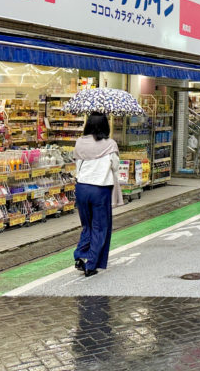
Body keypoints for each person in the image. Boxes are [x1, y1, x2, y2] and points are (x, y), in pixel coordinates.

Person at [73, 112, 122, 277]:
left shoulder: (79, 143)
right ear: (105, 126)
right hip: (100, 190)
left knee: (87, 225)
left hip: (81, 188)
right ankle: (91, 264)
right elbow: (115, 167)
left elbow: (77, 165)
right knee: (99, 227)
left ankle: (80, 254)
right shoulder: (110, 145)